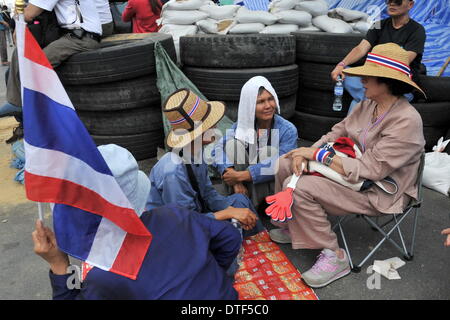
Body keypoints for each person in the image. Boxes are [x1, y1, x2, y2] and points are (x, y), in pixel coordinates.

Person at [269, 43, 426, 288]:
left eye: (367, 75)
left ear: (386, 81)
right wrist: (305, 152)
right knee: (285, 163)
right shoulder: (368, 104)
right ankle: (295, 224)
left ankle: (335, 256)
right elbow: (338, 131)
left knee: (299, 187)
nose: (361, 80)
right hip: (351, 171)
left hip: (379, 190)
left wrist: (317, 155)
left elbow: (372, 170)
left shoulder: (406, 121)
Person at [32, 144, 241, 300]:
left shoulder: (103, 276)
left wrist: (58, 264)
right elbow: (230, 238)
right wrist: (205, 273)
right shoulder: (174, 214)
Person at [147, 89, 261, 236]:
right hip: (174, 231)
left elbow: (207, 192)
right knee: (230, 230)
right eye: (210, 124)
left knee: (240, 201)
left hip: (196, 212)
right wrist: (227, 213)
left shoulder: (196, 152)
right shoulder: (173, 171)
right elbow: (184, 223)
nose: (215, 126)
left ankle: (258, 243)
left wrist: (234, 210)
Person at [2, 0, 102, 144]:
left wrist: (16, 24)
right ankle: (18, 105)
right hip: (71, 36)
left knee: (35, 66)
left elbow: (29, 14)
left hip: (81, 38)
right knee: (21, 53)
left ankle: (31, 118)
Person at [212, 76, 298, 209]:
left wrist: (244, 175)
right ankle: (241, 200)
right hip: (240, 187)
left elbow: (282, 162)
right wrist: (232, 176)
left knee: (269, 153)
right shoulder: (241, 126)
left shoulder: (287, 130)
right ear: (250, 106)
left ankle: (253, 206)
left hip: (268, 191)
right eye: (261, 101)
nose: (268, 106)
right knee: (232, 145)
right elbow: (217, 149)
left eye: (270, 99)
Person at [331, 0, 426, 114]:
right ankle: (370, 101)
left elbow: (405, 59)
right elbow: (361, 48)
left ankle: (358, 121)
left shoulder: (417, 30)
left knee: (358, 104)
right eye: (389, 0)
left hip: (398, 84)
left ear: (410, 5)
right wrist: (341, 64)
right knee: (346, 74)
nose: (391, 4)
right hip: (373, 80)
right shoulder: (378, 25)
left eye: (397, 1)